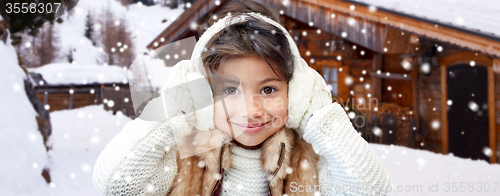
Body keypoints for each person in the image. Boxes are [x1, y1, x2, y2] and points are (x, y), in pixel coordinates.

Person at [92, 1, 392, 195]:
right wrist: (172, 110)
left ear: (296, 91)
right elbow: (114, 186)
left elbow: (372, 190)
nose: (251, 110)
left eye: (268, 89)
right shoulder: (186, 155)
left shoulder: (309, 161)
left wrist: (321, 116)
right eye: (230, 90)